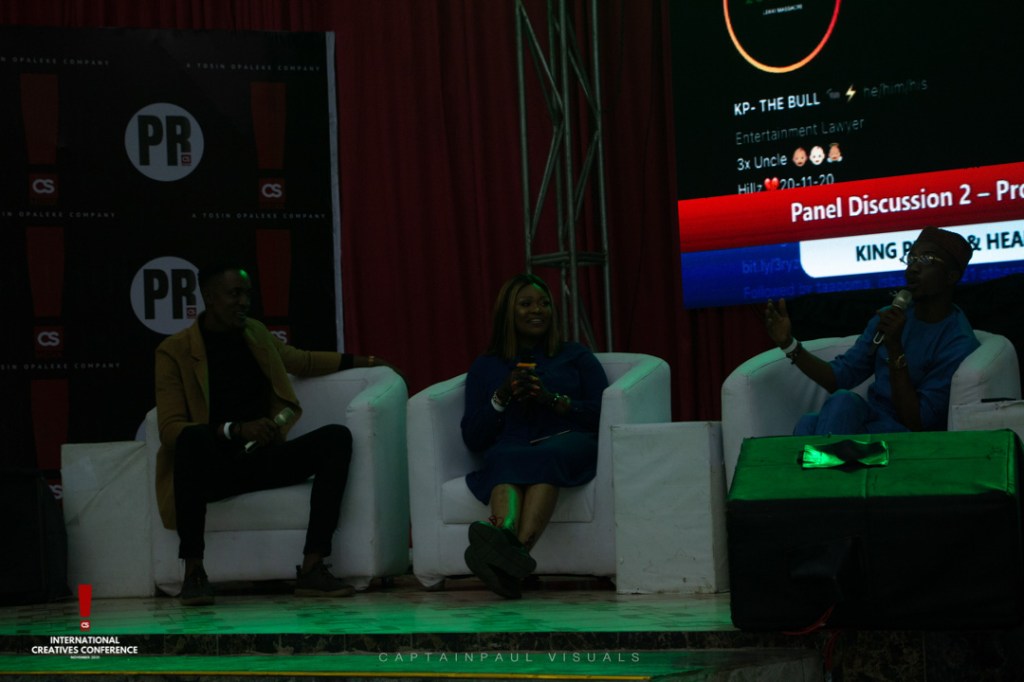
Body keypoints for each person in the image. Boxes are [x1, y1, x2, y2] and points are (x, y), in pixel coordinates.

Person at [154, 260, 395, 606]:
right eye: (234, 294)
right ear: (209, 297)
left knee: (336, 438)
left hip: (260, 457)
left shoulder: (255, 333)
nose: (243, 302)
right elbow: (169, 429)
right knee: (191, 440)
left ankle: (313, 566)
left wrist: (370, 361)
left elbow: (302, 361)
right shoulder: (174, 351)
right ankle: (194, 573)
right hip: (213, 469)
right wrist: (234, 430)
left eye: (247, 294)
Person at [460, 273, 609, 599]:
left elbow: (603, 413)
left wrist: (552, 400)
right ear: (507, 313)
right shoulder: (486, 366)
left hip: (568, 440)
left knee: (544, 456)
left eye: (544, 304)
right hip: (514, 444)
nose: (537, 310)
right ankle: (509, 552)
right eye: (526, 304)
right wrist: (502, 394)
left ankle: (509, 553)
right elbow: (473, 437)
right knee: (503, 456)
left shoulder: (576, 356)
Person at [764, 227, 979, 435]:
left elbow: (917, 421)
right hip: (873, 422)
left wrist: (895, 349)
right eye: (911, 259)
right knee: (810, 422)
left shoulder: (958, 342)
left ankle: (824, 461)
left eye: (926, 260)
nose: (913, 268)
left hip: (910, 437)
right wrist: (788, 344)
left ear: (951, 276)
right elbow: (840, 377)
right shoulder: (890, 317)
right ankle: (827, 460)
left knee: (842, 403)